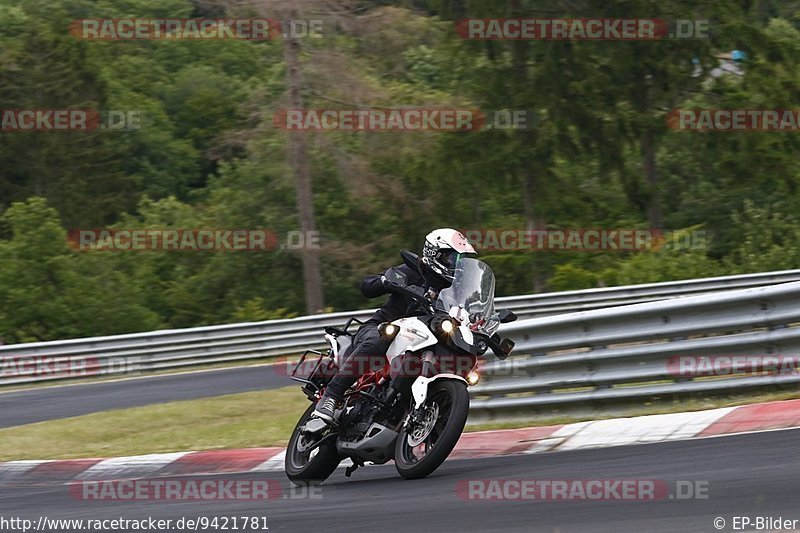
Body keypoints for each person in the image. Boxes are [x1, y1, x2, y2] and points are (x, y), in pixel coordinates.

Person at [311, 228, 477, 423]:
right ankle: (332, 396)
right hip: (384, 327)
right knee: (382, 336)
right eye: (451, 258)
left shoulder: (455, 289)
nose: (456, 265)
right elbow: (366, 284)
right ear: (434, 252)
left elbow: (467, 309)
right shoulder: (414, 270)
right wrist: (385, 282)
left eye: (460, 260)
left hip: (422, 341)